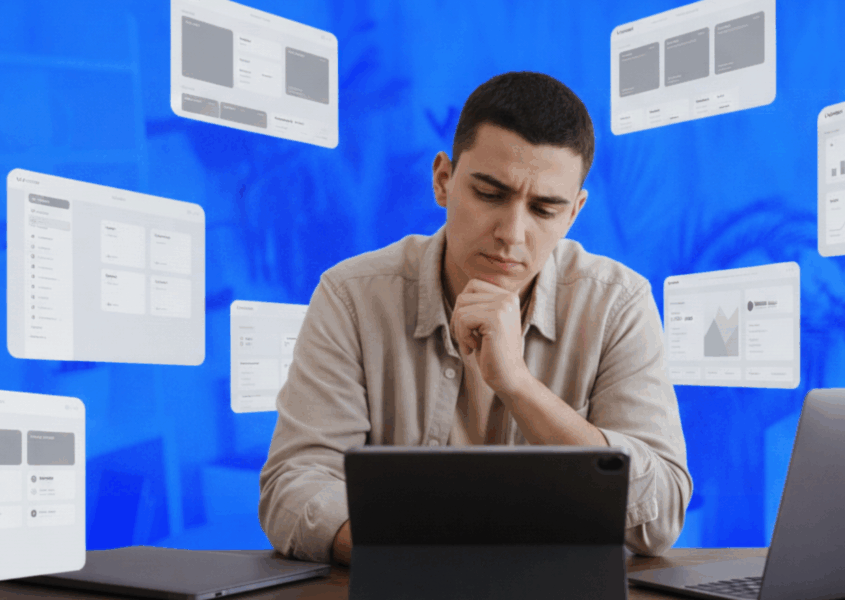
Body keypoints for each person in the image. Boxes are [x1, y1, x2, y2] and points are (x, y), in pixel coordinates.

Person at [259, 71, 692, 565]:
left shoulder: (618, 302)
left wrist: (518, 385)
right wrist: (423, 561)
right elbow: (294, 484)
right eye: (490, 194)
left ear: (574, 214)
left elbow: (660, 517)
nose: (512, 233)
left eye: (544, 210)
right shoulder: (351, 296)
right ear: (443, 180)